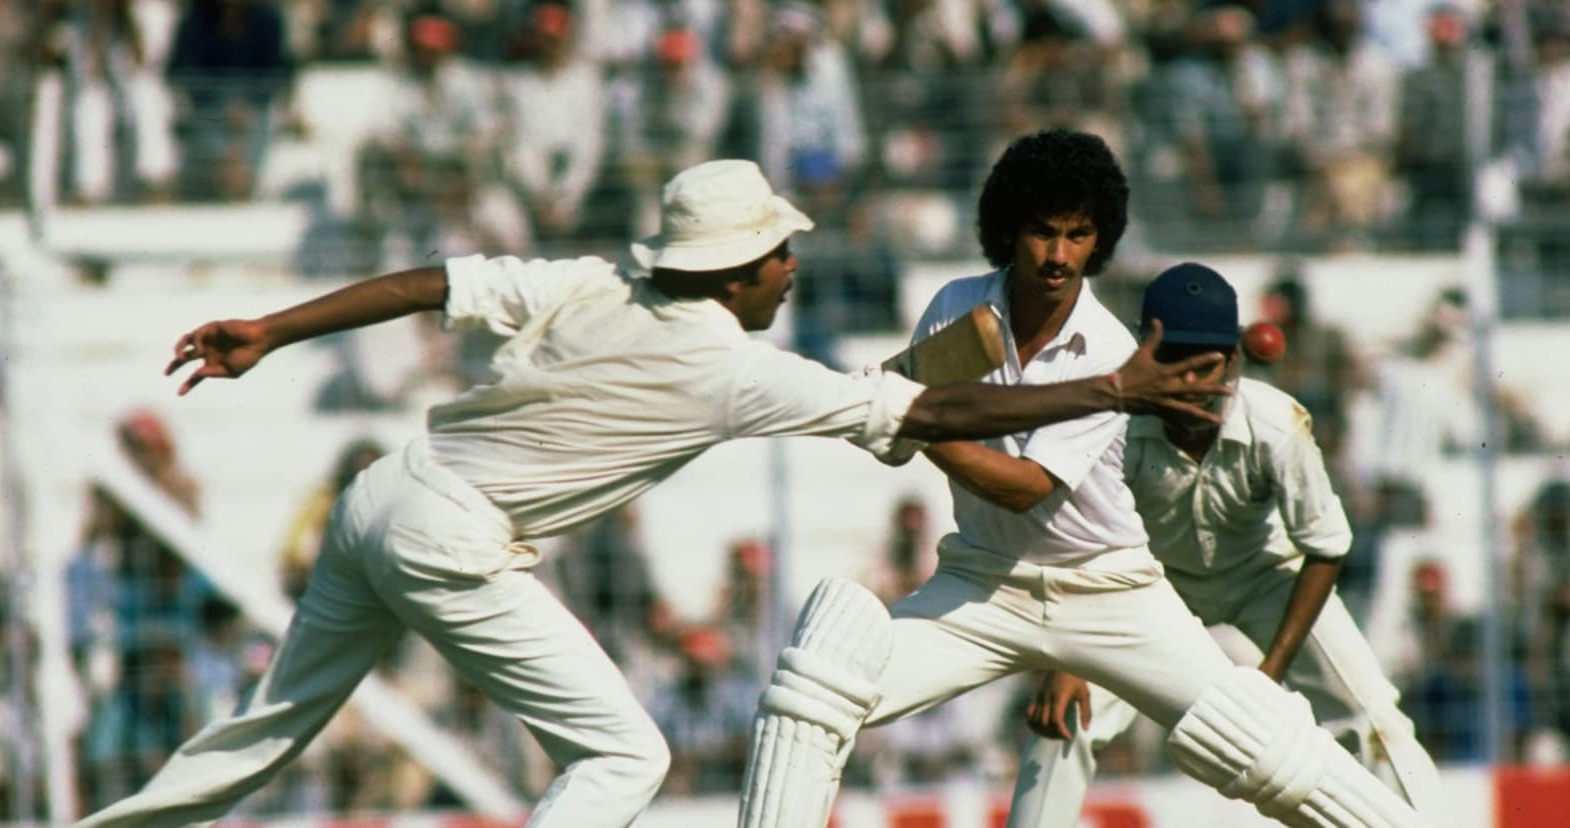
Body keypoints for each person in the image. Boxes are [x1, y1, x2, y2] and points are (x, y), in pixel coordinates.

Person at [73, 157, 1231, 828]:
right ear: (733, 273)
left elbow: (437, 283)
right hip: (452, 538)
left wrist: (272, 329)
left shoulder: (599, 277)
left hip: (383, 496)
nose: (793, 265)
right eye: (779, 255)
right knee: (628, 760)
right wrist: (1118, 392)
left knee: (270, 730)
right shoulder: (732, 369)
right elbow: (929, 414)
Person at [736, 130, 1427, 828]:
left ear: (1101, 239)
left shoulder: (1107, 350)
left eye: (1078, 234)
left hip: (1109, 590)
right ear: (1010, 229)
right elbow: (890, 449)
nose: (1060, 255)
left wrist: (915, 417)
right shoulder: (954, 305)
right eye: (1042, 232)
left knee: (1262, 745)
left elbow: (1023, 485)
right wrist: (890, 411)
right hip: (981, 584)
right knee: (816, 693)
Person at [1002, 262, 1443, 828]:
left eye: (1205, 365)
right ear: (1144, 355)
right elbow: (1077, 540)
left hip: (1263, 579)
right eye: (1172, 363)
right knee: (1065, 717)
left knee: (1374, 714)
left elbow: (1325, 546)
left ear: (1235, 360)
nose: (1189, 384)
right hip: (1149, 586)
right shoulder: (1112, 423)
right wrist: (1067, 659)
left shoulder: (1277, 424)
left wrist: (1269, 671)